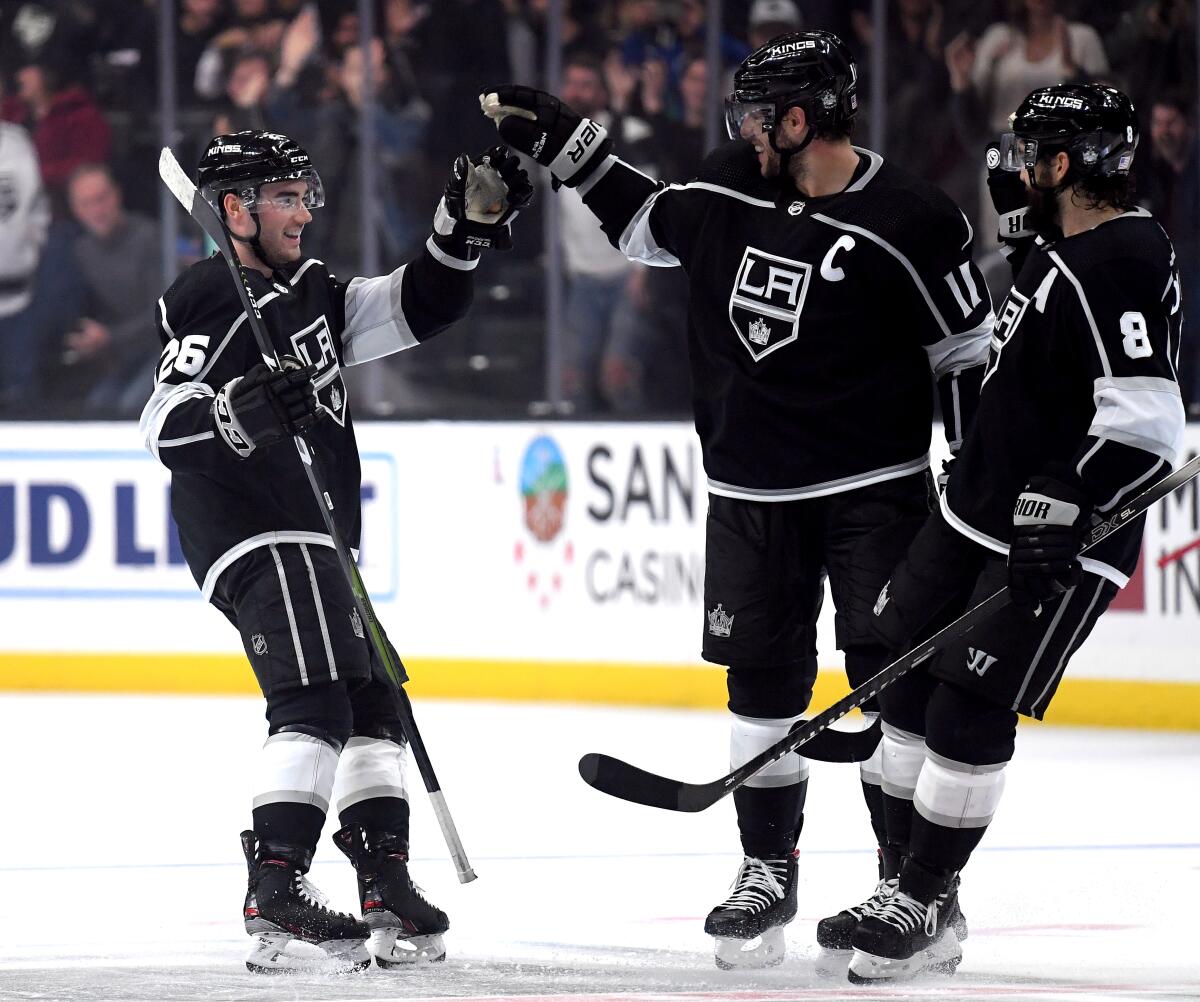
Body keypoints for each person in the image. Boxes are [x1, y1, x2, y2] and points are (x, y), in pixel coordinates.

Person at [481, 29, 993, 969]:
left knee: (900, 690)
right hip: (749, 496)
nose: (743, 129)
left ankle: (912, 889)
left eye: (759, 115)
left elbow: (963, 351)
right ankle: (768, 871)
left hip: (875, 495)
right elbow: (646, 223)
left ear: (800, 120)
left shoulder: (914, 218)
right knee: (759, 682)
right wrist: (565, 142)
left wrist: (972, 479)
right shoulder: (728, 186)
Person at [138, 130, 531, 972]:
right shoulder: (211, 292)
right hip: (256, 525)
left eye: (304, 193)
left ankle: (383, 879)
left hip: (315, 533)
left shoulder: (312, 291)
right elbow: (163, 419)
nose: (303, 211)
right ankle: (274, 884)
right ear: (234, 209)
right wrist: (238, 409)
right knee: (314, 703)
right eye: (283, 196)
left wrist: (456, 234)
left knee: (375, 706)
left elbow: (416, 306)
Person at [848, 83, 1185, 983]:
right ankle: (906, 889)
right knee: (906, 692)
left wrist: (1067, 500)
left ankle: (925, 896)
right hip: (972, 515)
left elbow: (1149, 428)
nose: (1013, 166)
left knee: (966, 712)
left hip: (1054, 540)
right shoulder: (1063, 247)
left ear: (1065, 166)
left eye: (1032, 152)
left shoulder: (1118, 256)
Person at [64, 164, 162, 416]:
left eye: (101, 198)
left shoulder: (149, 238)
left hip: (163, 352)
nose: (97, 210)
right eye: (86, 203)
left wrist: (109, 337)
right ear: (76, 210)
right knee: (97, 406)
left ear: (116, 195)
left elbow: (163, 315)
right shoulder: (82, 252)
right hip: (121, 356)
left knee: (129, 409)